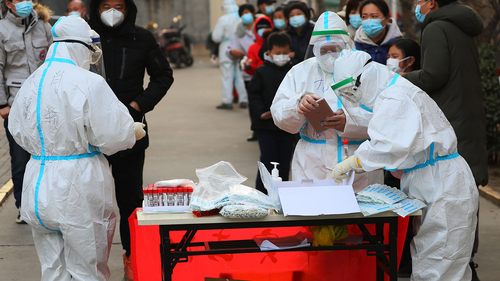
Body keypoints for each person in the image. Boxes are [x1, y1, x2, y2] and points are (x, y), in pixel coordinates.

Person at [8, 16, 146, 281]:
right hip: (78, 185)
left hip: (37, 181)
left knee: (53, 268)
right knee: (87, 269)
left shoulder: (31, 81)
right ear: (83, 47)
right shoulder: (89, 82)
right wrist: (132, 132)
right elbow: (112, 135)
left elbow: (17, 130)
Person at [331, 49, 479, 281]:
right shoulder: (392, 92)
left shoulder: (395, 97)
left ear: (364, 78)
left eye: (351, 91)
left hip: (442, 182)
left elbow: (389, 144)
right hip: (432, 178)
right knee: (431, 256)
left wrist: (354, 161)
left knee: (440, 262)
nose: (352, 97)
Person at [88, 0, 174, 280]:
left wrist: (138, 105)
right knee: (91, 202)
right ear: (95, 7)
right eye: (105, 5)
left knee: (130, 200)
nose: (112, 11)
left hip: (130, 132)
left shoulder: (141, 38)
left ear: (128, 9)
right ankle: (90, 261)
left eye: (118, 6)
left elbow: (163, 75)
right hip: (91, 135)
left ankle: (132, 257)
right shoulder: (86, 37)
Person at [403, 0, 487, 279]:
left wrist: (400, 78)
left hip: (450, 120)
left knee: (449, 199)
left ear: (431, 2)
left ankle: (458, 266)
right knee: (466, 194)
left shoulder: (437, 27)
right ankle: (466, 262)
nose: (416, 5)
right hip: (468, 116)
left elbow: (433, 75)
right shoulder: (463, 26)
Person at [271, 11, 382, 189]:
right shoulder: (300, 72)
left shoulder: (367, 71)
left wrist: (350, 122)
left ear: (346, 46)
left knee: (359, 214)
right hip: (312, 162)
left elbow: (384, 117)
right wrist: (298, 104)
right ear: (315, 50)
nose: (329, 55)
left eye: (335, 49)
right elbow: (278, 115)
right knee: (315, 213)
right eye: (323, 50)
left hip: (358, 160)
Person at [0, 0, 52, 223]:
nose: (25, 3)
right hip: (16, 105)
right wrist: (2, 104)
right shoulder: (2, 30)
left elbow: (54, 62)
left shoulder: (44, 26)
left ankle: (48, 205)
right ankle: (23, 206)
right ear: (9, 3)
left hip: (46, 104)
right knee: (21, 160)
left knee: (49, 158)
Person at [248, 32, 295, 193]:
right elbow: (253, 95)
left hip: (287, 127)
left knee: (284, 162)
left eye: (285, 53)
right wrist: (261, 113)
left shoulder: (294, 71)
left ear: (290, 51)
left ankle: (282, 196)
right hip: (266, 127)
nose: (282, 56)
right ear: (269, 53)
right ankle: (261, 195)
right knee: (267, 161)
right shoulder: (261, 71)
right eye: (278, 53)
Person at [211, 0, 245, 110]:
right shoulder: (241, 18)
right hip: (240, 47)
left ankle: (227, 101)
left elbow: (216, 37)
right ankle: (243, 100)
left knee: (227, 75)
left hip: (226, 47)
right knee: (240, 74)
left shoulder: (223, 19)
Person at [223, 3, 255, 110]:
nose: (246, 16)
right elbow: (229, 49)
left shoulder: (261, 28)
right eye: (243, 14)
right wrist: (232, 51)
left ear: (253, 13)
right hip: (248, 70)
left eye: (247, 12)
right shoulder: (240, 33)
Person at [354, 0, 402, 64]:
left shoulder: (399, 45)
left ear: (387, 18)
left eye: (374, 16)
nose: (369, 20)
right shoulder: (354, 47)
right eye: (364, 17)